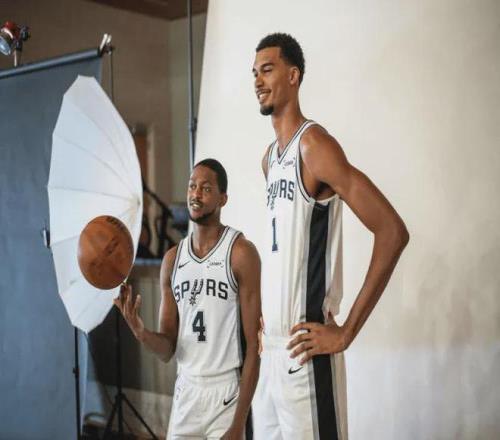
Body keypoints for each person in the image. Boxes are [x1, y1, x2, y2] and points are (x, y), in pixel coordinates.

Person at [251, 33, 410, 439]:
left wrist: (346, 332)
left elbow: (392, 231)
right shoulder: (269, 160)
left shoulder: (314, 146)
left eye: (267, 70)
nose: (257, 80)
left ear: (293, 76)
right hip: (271, 354)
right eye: (254, 73)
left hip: (306, 355)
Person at [115, 158, 261, 440]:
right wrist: (141, 332)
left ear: (223, 199)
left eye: (206, 189)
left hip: (226, 392)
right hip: (186, 391)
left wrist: (238, 424)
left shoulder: (241, 253)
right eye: (192, 186)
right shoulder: (172, 260)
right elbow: (167, 350)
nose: (196, 194)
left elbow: (255, 346)